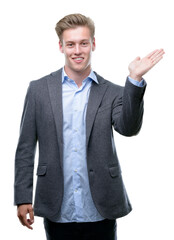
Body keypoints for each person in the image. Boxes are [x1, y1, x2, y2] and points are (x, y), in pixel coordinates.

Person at [14, 13, 165, 240]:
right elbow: (25, 147)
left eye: (84, 43)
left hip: (101, 207)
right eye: (71, 44)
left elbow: (129, 128)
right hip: (57, 207)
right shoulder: (38, 90)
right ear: (61, 46)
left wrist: (134, 80)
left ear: (93, 44)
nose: (77, 51)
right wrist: (23, 197)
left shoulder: (112, 92)